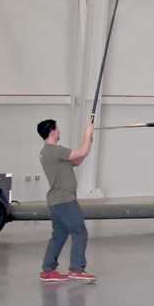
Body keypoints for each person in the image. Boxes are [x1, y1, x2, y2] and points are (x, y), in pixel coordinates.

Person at [38, 119, 97, 283]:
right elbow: (80, 152)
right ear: (52, 131)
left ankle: (48, 270)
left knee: (59, 235)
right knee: (80, 231)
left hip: (57, 201)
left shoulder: (49, 152)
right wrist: (87, 134)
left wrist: (89, 140)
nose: (59, 131)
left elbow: (77, 159)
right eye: (57, 129)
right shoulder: (53, 150)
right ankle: (76, 269)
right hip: (64, 200)